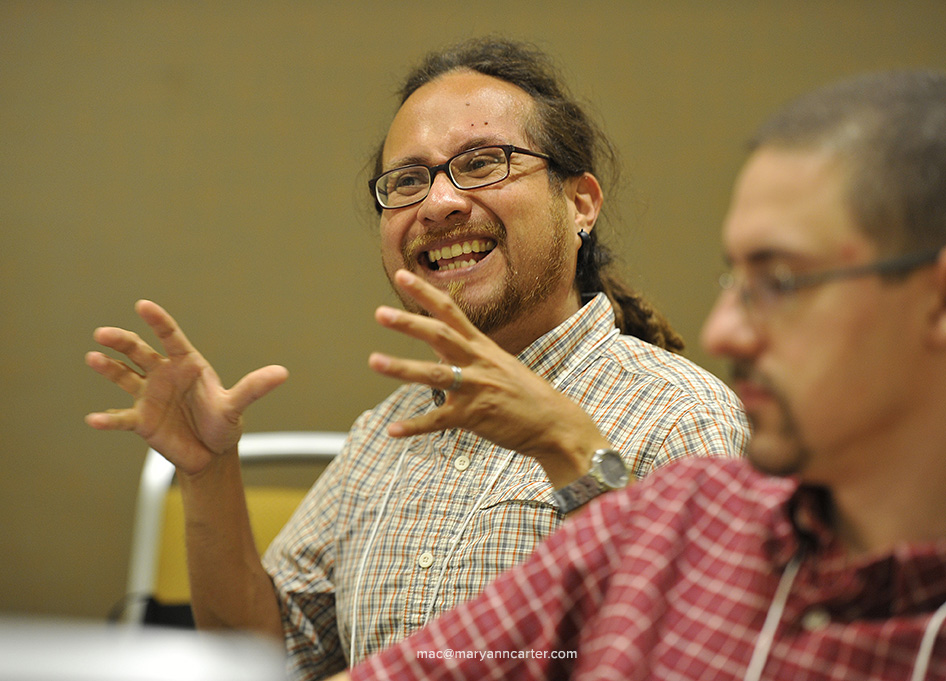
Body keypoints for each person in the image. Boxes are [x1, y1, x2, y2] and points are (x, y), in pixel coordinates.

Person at [84, 38, 748, 679]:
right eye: (407, 181)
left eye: (483, 162)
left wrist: (572, 454)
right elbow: (264, 657)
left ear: (579, 203)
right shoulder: (386, 432)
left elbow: (703, 651)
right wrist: (208, 471)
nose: (438, 203)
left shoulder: (680, 415)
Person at [327, 68, 946, 681]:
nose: (721, 332)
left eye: (781, 281)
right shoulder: (702, 503)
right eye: (736, 282)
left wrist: (571, 446)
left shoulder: (685, 420)